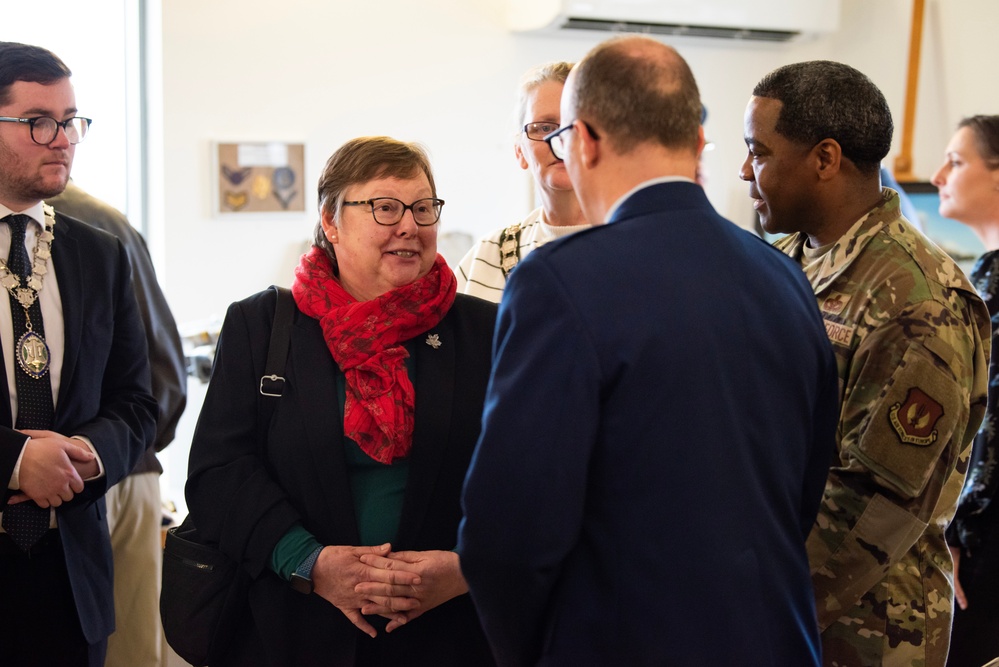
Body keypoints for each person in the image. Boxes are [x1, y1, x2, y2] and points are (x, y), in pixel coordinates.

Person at [457, 35, 839, 666]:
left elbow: (511, 531)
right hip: (776, 640)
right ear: (694, 143)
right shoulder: (784, 277)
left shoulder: (560, 282)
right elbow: (803, 487)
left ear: (583, 141)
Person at [183, 136, 497, 666]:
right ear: (331, 221)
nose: (409, 225)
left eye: (423, 208)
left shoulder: (484, 330)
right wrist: (312, 563)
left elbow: (527, 476)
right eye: (384, 207)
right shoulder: (262, 326)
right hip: (294, 627)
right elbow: (220, 473)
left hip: (449, 631)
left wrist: (469, 568)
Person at [739, 61, 990, 667]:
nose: (746, 173)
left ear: (825, 159)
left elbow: (875, 504)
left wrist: (757, 611)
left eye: (759, 153)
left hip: (864, 632)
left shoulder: (918, 298)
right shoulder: (781, 263)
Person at [0, 42, 156, 666]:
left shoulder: (99, 253)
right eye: (39, 121)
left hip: (72, 580)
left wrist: (87, 457)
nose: (61, 138)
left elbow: (136, 402)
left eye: (71, 121)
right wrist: (16, 462)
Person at [48, 180, 187, 667]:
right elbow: (166, 362)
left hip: (75, 476)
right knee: (133, 650)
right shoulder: (111, 221)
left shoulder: (73, 230)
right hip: (129, 461)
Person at [931, 115, 999, 667]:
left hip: (985, 547)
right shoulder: (985, 274)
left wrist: (959, 532)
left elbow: (989, 423)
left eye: (956, 161)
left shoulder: (993, 285)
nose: (936, 176)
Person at [456, 61, 590, 301]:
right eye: (544, 127)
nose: (560, 141)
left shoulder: (637, 247)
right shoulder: (488, 257)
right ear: (520, 151)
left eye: (574, 126)